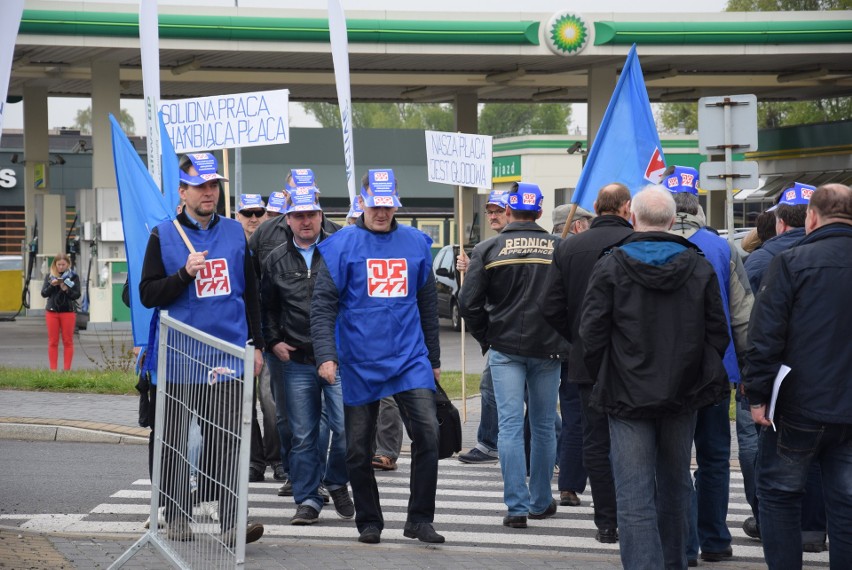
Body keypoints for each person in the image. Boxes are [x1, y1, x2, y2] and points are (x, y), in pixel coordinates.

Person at [579, 186, 730, 569]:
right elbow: (718, 331)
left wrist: (605, 375)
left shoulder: (611, 264)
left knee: (634, 496)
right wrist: (699, 373)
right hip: (682, 393)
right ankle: (676, 561)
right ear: (670, 221)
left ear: (634, 217)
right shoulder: (698, 264)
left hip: (626, 394)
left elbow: (591, 333)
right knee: (676, 483)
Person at [311, 169, 444, 545]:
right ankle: (369, 520)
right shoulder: (341, 245)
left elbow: (428, 304)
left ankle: (419, 519)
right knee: (357, 449)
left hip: (409, 358)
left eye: (388, 205)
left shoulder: (417, 243)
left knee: (429, 436)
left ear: (395, 204)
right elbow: (322, 307)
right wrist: (326, 354)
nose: (381, 212)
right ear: (363, 202)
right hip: (358, 362)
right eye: (375, 205)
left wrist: (433, 359)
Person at [139, 152, 264, 546]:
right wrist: (183, 275)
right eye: (201, 186)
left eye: (214, 186)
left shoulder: (234, 233)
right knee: (174, 439)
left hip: (227, 358)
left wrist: (256, 345)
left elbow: (252, 294)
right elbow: (145, 294)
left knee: (230, 439)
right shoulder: (163, 234)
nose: (209, 193)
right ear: (183, 191)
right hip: (179, 358)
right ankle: (177, 516)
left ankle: (233, 521)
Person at [743, 183, 852, 570]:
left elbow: (765, 335)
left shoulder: (791, 262)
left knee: (778, 494)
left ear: (811, 217)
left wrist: (756, 396)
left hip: (798, 405)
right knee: (846, 502)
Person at [459, 182, 568, 529]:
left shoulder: (489, 248)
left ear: (508, 212)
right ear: (538, 211)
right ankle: (540, 501)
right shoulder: (559, 247)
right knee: (543, 427)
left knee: (508, 428)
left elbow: (466, 303)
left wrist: (485, 336)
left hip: (505, 347)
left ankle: (516, 507)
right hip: (549, 349)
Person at [664, 166, 754, 565]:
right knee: (715, 457)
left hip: (662, 375)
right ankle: (715, 539)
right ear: (697, 204)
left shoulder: (647, 245)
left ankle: (682, 546)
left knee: (673, 461)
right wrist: (749, 368)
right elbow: (743, 318)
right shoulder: (723, 249)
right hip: (717, 372)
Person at [540, 182, 633, 544]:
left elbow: (549, 306)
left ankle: (606, 521)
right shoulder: (635, 243)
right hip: (631, 359)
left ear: (596, 206)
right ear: (626, 208)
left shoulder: (569, 247)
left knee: (595, 440)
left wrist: (578, 335)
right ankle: (632, 513)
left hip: (586, 359)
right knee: (632, 439)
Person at [260, 185, 353, 525]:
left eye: (311, 214)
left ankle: (336, 479)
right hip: (296, 360)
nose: (306, 221)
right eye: (298, 215)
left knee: (346, 429)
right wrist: (273, 342)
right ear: (287, 220)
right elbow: (265, 307)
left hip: (338, 357)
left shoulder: (340, 251)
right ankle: (308, 499)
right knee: (303, 435)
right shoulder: (275, 259)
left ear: (321, 215)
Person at [249, 168, 341, 497]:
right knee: (285, 417)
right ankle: (294, 471)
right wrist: (270, 340)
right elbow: (260, 294)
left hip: (328, 348)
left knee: (329, 422)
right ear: (286, 200)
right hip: (285, 348)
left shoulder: (335, 237)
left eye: (311, 206)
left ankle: (315, 478)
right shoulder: (266, 236)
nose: (305, 219)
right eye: (296, 206)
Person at [235, 193, 284, 484]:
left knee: (270, 400)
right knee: (244, 402)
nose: (253, 218)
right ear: (237, 216)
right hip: (235, 333)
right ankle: (254, 461)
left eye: (258, 212)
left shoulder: (273, 242)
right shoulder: (227, 242)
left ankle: (275, 458)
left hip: (265, 333)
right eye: (247, 213)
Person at [456, 190, 508, 465]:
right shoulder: (488, 247)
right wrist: (473, 266)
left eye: (498, 210)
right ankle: (489, 442)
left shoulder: (494, 247)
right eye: (489, 212)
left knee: (497, 389)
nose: (492, 216)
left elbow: (471, 300)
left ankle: (489, 444)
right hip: (507, 334)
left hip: (506, 334)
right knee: (496, 390)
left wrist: (484, 334)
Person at [41, 252, 81, 371]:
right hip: (52, 311)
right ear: (55, 264)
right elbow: (44, 293)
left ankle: (66, 370)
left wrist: (66, 289)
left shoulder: (73, 277)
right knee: (53, 341)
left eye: (63, 264)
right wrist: (52, 285)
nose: (61, 267)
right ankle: (53, 369)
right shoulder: (50, 276)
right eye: (59, 264)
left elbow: (76, 294)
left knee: (67, 340)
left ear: (68, 264)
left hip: (68, 312)